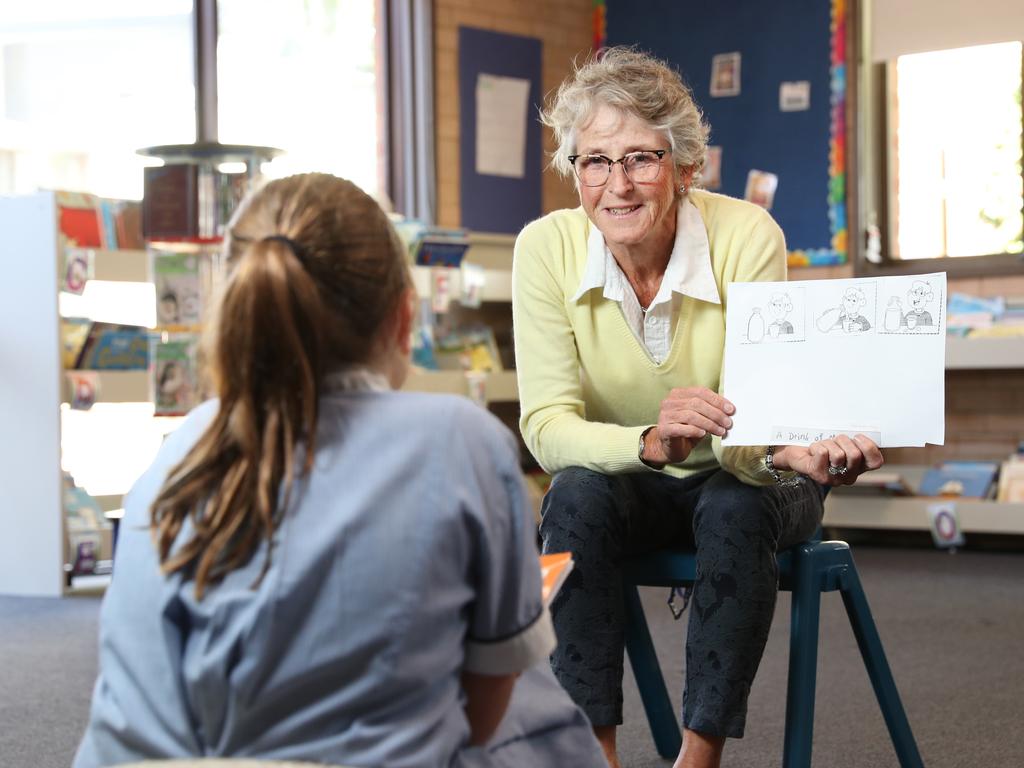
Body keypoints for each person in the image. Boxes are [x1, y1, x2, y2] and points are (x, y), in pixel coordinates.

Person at [74, 173, 606, 768]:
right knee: (534, 691)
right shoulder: (461, 439)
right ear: (403, 319)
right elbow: (480, 719)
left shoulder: (182, 446)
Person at [513, 48, 885, 768]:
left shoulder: (747, 236)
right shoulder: (545, 249)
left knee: (733, 506)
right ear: (575, 170)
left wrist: (791, 451)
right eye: (594, 161)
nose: (616, 186)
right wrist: (651, 440)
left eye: (640, 159)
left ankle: (699, 756)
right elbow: (547, 428)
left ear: (686, 167)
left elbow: (754, 439)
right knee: (574, 496)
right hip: (635, 480)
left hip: (762, 474)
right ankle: (594, 755)